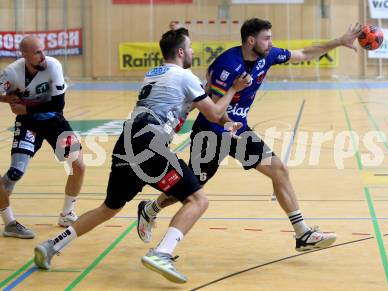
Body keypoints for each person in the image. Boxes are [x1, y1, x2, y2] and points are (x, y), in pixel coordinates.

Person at [34, 28, 251, 284]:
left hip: (127, 141)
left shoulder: (155, 74)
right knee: (197, 200)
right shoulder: (184, 76)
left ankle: (51, 245)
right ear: (181, 51)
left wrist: (227, 124)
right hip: (150, 142)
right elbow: (213, 112)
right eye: (190, 47)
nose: (193, 51)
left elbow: (201, 107)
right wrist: (233, 91)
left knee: (109, 208)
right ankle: (162, 253)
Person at [137, 18, 363, 252]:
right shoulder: (227, 65)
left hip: (238, 130)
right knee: (194, 184)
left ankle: (302, 233)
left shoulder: (269, 55)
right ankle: (150, 209)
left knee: (279, 169)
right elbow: (214, 110)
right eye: (266, 38)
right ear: (250, 40)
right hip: (212, 132)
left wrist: (339, 41)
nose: (271, 42)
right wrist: (232, 118)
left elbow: (304, 53)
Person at [0, 36, 85, 239]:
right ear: (24, 55)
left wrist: (25, 108)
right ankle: (9, 222)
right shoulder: (11, 72)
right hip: (29, 125)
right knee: (16, 172)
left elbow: (58, 105)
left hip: (54, 121)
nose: (43, 56)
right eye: (37, 52)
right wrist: (6, 98)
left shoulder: (53, 66)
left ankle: (66, 214)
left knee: (79, 165)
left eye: (43, 50)